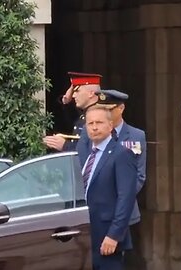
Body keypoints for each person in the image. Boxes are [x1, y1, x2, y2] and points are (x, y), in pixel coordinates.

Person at [83, 105, 137, 270]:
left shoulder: (121, 153)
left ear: (110, 125)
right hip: (88, 235)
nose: (94, 127)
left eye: (99, 122)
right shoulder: (87, 153)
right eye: (90, 123)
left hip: (108, 237)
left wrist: (114, 235)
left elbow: (126, 198)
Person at [43, 72, 102, 151]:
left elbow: (93, 151)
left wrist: (65, 146)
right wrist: (66, 101)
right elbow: (65, 120)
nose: (73, 95)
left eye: (77, 91)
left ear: (91, 93)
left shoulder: (100, 116)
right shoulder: (84, 115)